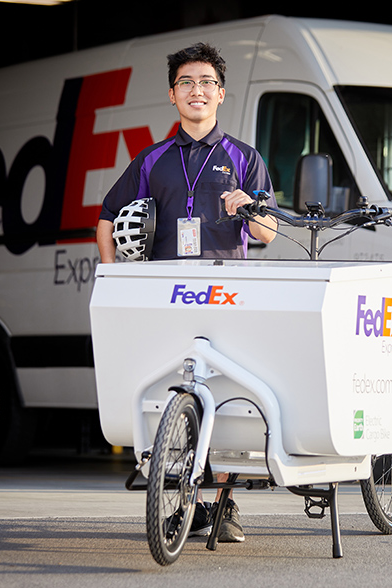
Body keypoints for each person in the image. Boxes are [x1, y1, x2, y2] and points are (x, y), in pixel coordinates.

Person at [96, 42, 278, 543]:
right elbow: (106, 221)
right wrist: (114, 281)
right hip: (165, 294)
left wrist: (250, 206)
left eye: (205, 83)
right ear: (172, 95)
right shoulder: (151, 160)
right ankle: (182, 505)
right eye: (186, 83)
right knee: (171, 400)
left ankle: (224, 505)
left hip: (226, 294)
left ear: (221, 94)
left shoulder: (245, 158)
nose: (196, 91)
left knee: (225, 398)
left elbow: (268, 234)